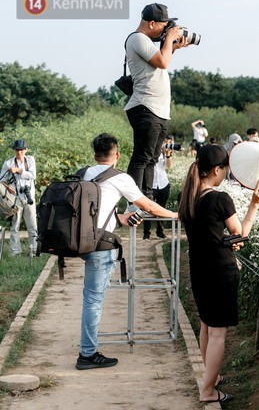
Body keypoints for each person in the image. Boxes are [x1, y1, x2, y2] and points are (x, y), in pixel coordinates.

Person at [75, 133, 177, 370]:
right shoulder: (120, 177)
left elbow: (93, 210)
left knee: (91, 298)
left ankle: (87, 348)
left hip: (83, 242)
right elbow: (147, 205)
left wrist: (120, 217)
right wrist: (174, 215)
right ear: (117, 155)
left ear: (94, 155)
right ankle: (87, 355)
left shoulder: (83, 173)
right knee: (93, 301)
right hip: (101, 246)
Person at [178, 144, 259, 403]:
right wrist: (254, 204)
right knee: (218, 333)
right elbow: (241, 234)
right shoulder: (219, 199)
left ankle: (211, 378)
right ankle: (207, 390)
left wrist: (228, 238)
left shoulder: (188, 196)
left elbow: (212, 233)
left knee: (206, 326)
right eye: (225, 170)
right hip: (220, 271)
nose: (225, 174)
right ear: (216, 170)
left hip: (199, 269)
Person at [124, 3, 188, 200]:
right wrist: (169, 39)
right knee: (142, 157)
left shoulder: (146, 41)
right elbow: (162, 62)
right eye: (164, 26)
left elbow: (159, 62)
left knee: (152, 158)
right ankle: (135, 201)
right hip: (145, 106)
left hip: (157, 109)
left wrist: (173, 47)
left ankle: (147, 197)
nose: (166, 30)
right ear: (152, 23)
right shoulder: (138, 38)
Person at [1, 139, 37, 256]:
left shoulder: (30, 160)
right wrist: (8, 187)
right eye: (17, 150)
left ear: (26, 150)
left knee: (32, 225)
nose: (19, 152)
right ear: (14, 150)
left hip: (29, 196)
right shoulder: (8, 163)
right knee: (15, 226)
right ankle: (15, 251)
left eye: (21, 150)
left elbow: (33, 175)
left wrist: (18, 170)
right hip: (15, 198)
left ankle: (33, 250)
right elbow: (1, 180)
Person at [143, 136, 174, 240]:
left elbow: (169, 166)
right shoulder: (147, 153)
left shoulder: (163, 153)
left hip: (163, 184)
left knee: (162, 207)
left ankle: (160, 232)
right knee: (147, 208)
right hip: (150, 185)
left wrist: (168, 155)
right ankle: (146, 233)